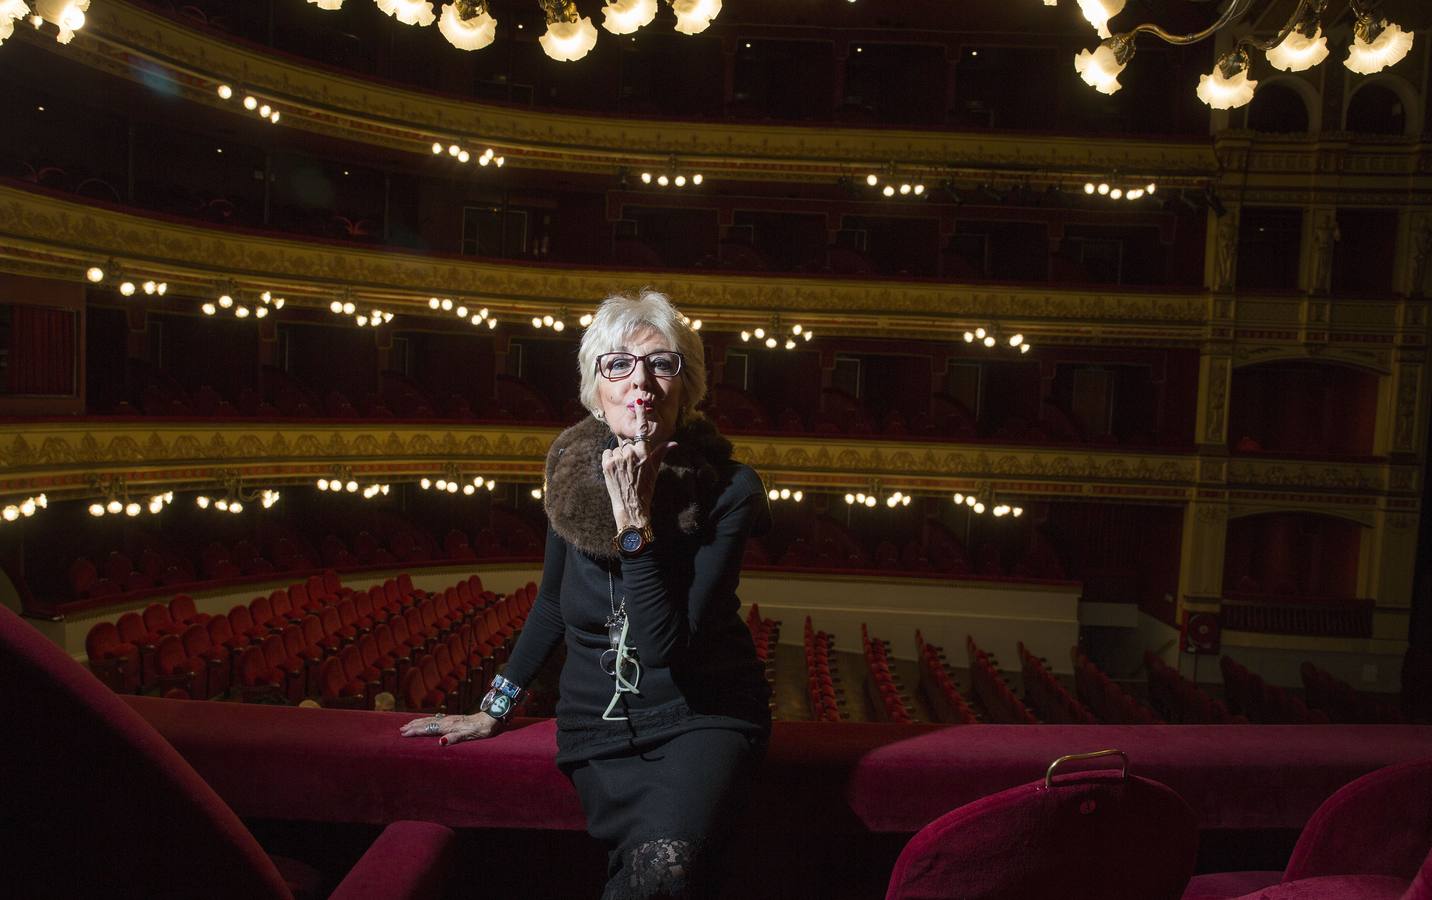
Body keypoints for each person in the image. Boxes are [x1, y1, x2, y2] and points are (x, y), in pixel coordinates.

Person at [400, 289, 773, 899]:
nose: (640, 381)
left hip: (701, 714)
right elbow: (552, 603)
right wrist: (494, 707)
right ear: (596, 390)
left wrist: (634, 525)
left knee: (667, 870)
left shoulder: (731, 488)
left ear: (686, 387)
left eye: (662, 363)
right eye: (618, 364)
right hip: (596, 723)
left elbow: (663, 646)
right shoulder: (572, 472)